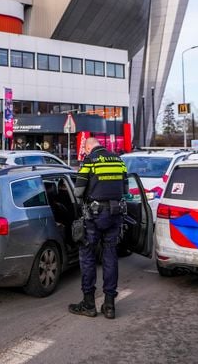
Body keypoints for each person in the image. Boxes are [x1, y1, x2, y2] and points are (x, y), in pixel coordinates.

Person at [68, 137, 128, 320]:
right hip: (115, 215)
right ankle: (109, 305)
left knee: (87, 256)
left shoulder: (89, 161)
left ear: (88, 148)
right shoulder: (119, 160)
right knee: (110, 256)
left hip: (94, 216)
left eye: (84, 150)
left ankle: (88, 304)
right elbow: (125, 189)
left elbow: (78, 192)